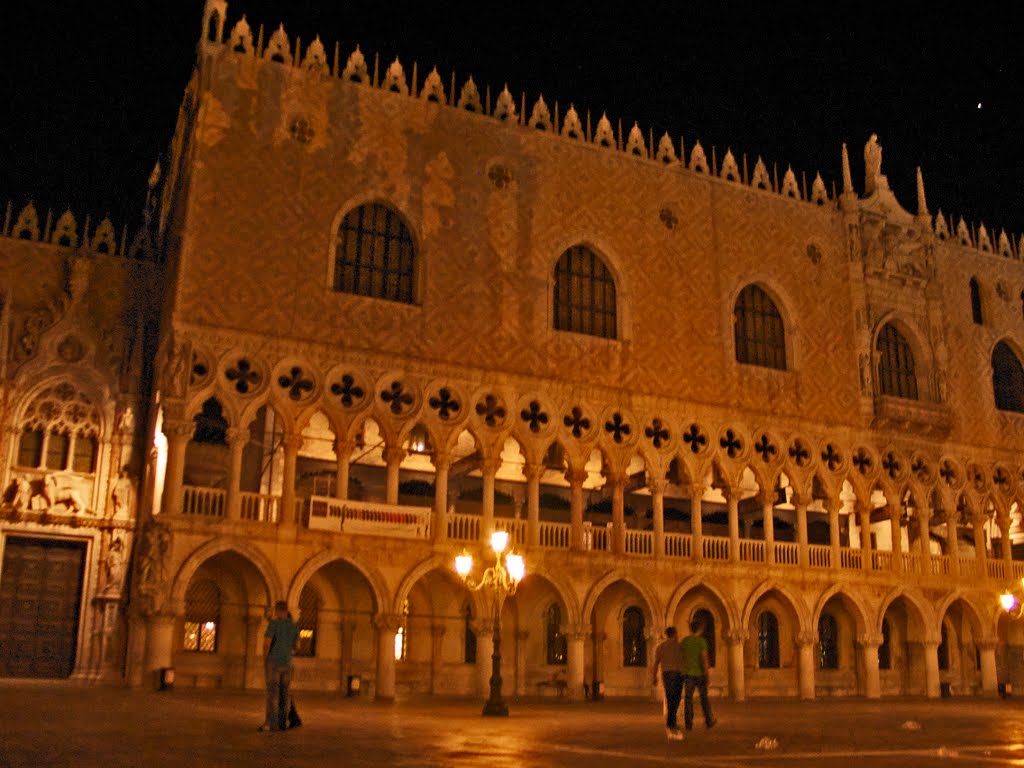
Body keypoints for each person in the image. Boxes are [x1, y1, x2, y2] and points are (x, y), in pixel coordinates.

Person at [260, 600, 299, 732]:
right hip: (287, 663)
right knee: (284, 693)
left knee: (272, 693)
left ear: (277, 610)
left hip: (274, 662)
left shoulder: (274, 624)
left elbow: (266, 643)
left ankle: (271, 723)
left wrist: (265, 659)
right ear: (287, 610)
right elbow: (297, 646)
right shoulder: (294, 626)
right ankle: (283, 723)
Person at [681, 618, 716, 731]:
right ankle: (709, 721)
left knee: (688, 698)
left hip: (688, 674)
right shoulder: (701, 642)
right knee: (704, 698)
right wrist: (707, 675)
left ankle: (688, 723)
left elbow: (681, 657)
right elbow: (704, 660)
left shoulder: (685, 641)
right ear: (700, 629)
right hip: (700, 674)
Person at [651, 626, 685, 740]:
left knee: (670, 698)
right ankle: (671, 722)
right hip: (678, 674)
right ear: (674, 634)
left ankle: (671, 722)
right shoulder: (680, 646)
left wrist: (654, 677)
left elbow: (656, 663)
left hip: (667, 674)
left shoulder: (661, 647)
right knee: (676, 698)